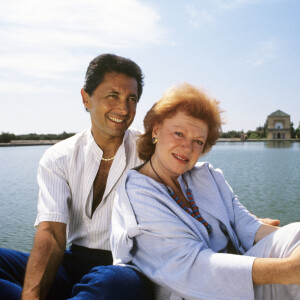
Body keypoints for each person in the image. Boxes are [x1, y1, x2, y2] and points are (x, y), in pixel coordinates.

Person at [110, 83, 300, 300]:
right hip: (191, 294)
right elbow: (193, 268)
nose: (187, 147)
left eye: (197, 141)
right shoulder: (137, 195)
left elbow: (248, 226)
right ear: (156, 130)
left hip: (240, 282)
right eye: (178, 133)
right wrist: (287, 270)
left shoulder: (207, 177)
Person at [0, 54, 153, 300]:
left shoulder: (150, 152)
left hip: (125, 269)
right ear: (86, 98)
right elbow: (51, 232)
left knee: (108, 282)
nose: (123, 109)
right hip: (74, 261)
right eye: (113, 96)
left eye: (131, 99)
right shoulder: (59, 157)